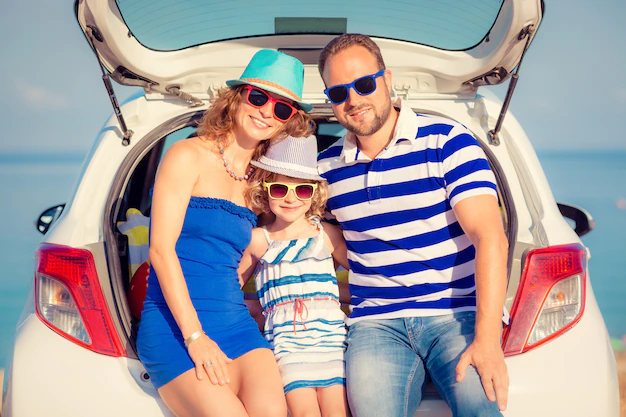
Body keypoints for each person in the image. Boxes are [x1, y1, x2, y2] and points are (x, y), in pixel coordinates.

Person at [316, 34, 510, 417]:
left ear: (387, 79)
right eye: (338, 92)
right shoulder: (324, 170)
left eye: (364, 84)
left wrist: (487, 340)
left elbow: (490, 237)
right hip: (376, 323)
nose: (353, 99)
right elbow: (313, 235)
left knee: (481, 409)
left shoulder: (448, 141)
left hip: (457, 313)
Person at [136, 49, 314, 417]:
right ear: (235, 97)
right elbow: (160, 252)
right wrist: (195, 338)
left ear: (289, 121)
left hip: (235, 323)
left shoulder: (263, 183)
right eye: (259, 97)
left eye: (282, 108)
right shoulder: (187, 155)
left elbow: (274, 242)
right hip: (175, 327)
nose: (267, 112)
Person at [238, 135, 351, 417]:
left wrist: (339, 295)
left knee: (337, 412)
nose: (291, 198)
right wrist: (255, 307)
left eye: (302, 189)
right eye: (279, 189)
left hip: (331, 340)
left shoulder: (326, 235)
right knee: (304, 412)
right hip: (287, 343)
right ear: (265, 192)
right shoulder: (259, 240)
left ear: (314, 193)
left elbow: (366, 277)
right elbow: (229, 289)